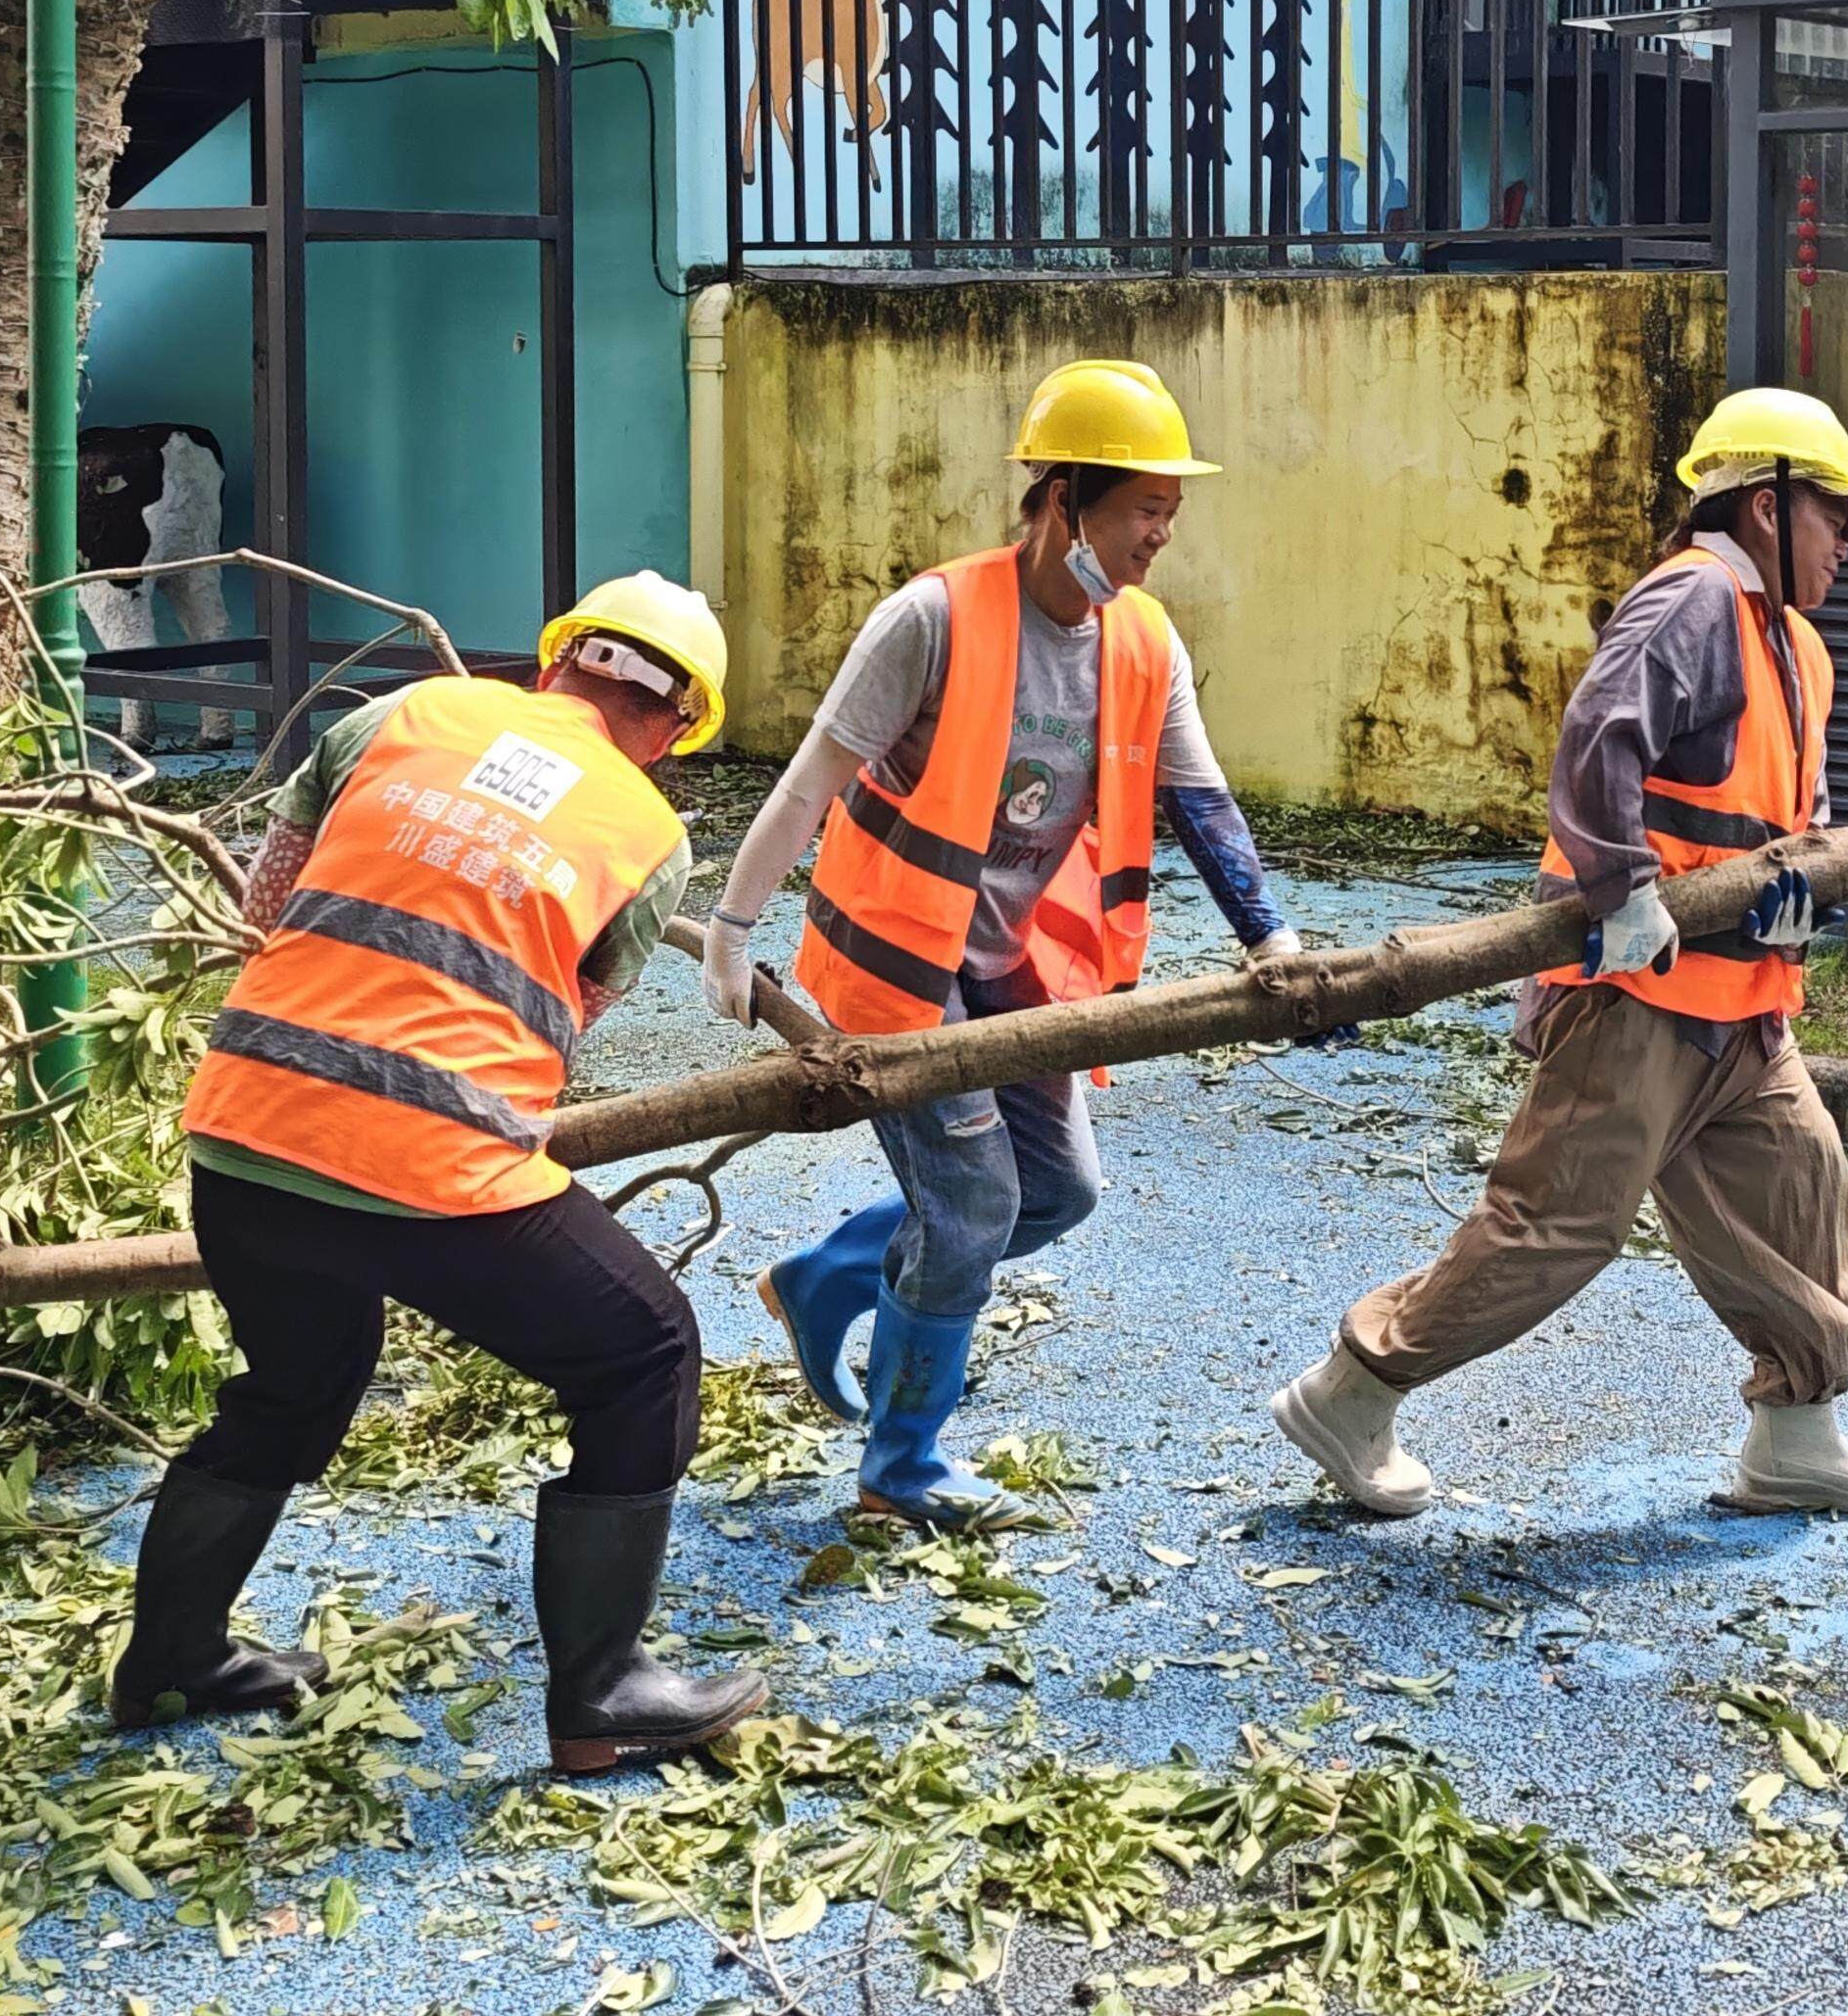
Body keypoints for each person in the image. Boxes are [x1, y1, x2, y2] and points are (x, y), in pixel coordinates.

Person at [117, 573, 767, 1776]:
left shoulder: (398, 715)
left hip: (245, 1130)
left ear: (557, 660)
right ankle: (602, 1692)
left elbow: (270, 905)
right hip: (426, 1164)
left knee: (299, 1383)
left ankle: (171, 1659)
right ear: (677, 724)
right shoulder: (646, 830)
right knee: (643, 1352)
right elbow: (568, 1015)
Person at [1270, 386, 1848, 1524]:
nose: (1847, 546)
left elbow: (1787, 814)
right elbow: (1597, 736)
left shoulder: (1794, 644)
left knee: (1799, 1189)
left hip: (1744, 1001)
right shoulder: (1694, 600)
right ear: (1765, 506)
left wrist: (1797, 902)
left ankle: (1796, 1438)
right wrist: (1622, 894)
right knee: (1556, 1227)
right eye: (1835, 518)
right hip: (1639, 995)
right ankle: (1354, 1388)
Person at [710, 360, 1300, 1529]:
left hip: (1013, 960)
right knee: (974, 1205)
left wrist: (1275, 943)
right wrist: (732, 932)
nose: (1159, 538)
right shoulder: (932, 618)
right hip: (895, 963)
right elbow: (808, 783)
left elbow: (1204, 803)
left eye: (1170, 514)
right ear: (1066, 497)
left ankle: (827, 1278)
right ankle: (900, 1472)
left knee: (1059, 1193)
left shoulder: (1144, 644)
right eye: (1145, 510)